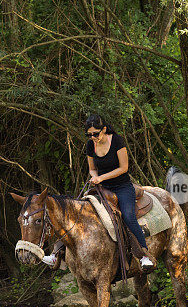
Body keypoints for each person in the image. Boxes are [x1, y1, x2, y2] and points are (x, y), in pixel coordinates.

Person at [43, 114, 154, 271]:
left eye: (96, 133)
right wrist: (95, 177)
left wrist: (101, 177)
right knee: (77, 212)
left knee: (128, 216)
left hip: (122, 187)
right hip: (101, 188)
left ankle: (144, 255)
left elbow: (124, 168)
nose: (93, 137)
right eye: (89, 134)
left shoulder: (117, 141)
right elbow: (92, 169)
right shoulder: (90, 145)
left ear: (104, 129)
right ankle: (56, 253)